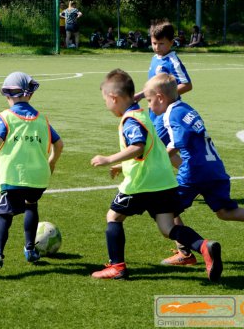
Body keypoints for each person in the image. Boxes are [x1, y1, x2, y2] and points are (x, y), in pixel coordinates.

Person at [90, 69, 222, 282]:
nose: (106, 104)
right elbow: (150, 150)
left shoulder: (130, 120)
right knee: (167, 227)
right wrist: (122, 165)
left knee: (113, 217)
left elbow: (139, 147)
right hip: (163, 182)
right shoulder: (143, 114)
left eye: (105, 99)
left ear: (114, 98)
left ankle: (117, 267)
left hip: (142, 184)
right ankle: (204, 246)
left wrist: (109, 159)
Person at [143, 74, 244, 265]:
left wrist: (151, 162)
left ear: (160, 98)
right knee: (224, 211)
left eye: (149, 100)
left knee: (165, 212)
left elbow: (177, 143)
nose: (148, 106)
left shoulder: (171, 114)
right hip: (215, 167)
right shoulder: (187, 109)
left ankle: (186, 252)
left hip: (194, 171)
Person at [0, 71, 64, 278]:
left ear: (8, 95)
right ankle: (30, 249)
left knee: (4, 215)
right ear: (29, 95)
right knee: (31, 204)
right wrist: (51, 163)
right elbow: (59, 143)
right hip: (39, 178)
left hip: (13, 177)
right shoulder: (42, 119)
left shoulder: (6, 117)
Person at [134, 21, 192, 139]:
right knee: (160, 148)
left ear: (171, 43)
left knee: (156, 145)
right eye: (154, 43)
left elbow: (187, 85)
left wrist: (164, 96)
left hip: (167, 110)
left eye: (161, 44)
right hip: (154, 109)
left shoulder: (173, 61)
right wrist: (140, 95)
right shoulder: (155, 58)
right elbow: (155, 87)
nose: (157, 47)